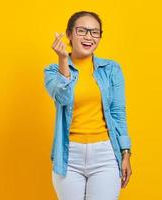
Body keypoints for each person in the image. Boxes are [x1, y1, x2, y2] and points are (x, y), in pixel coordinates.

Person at [44, 10, 132, 200]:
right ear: (69, 34)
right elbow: (63, 98)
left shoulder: (111, 69)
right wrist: (62, 60)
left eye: (95, 32)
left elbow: (118, 113)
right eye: (82, 31)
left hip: (105, 154)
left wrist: (125, 152)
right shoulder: (52, 71)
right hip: (69, 156)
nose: (88, 37)